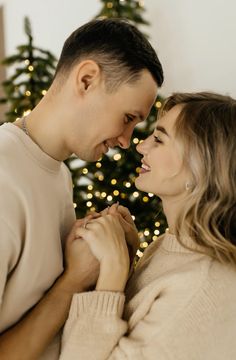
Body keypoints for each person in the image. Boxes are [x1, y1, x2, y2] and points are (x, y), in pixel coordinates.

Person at [0, 18, 163, 359]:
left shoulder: (57, 173)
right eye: (128, 118)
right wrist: (74, 280)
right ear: (87, 79)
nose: (126, 141)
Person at [59, 92, 236, 360]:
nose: (141, 147)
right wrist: (127, 258)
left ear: (200, 167)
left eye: (159, 139)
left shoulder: (206, 286)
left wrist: (113, 271)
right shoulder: (171, 244)